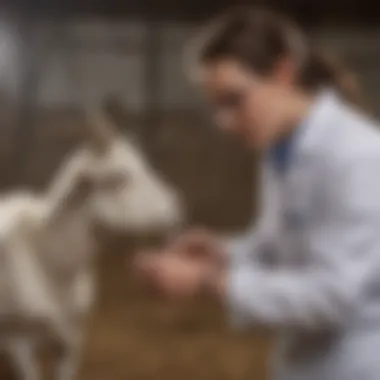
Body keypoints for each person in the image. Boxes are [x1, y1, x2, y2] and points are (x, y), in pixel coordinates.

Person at [135, 6, 380, 380]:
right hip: (302, 360)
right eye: (217, 107)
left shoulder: (358, 155)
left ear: (283, 74)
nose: (225, 122)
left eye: (235, 100)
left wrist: (208, 281)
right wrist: (224, 253)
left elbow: (335, 296)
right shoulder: (279, 148)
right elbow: (280, 244)